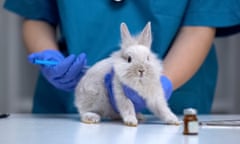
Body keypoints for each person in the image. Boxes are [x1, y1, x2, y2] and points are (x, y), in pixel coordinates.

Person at [3, 0, 240, 114]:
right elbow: (36, 14)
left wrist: (158, 86)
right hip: (68, 106)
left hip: (174, 101)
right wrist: (50, 56)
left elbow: (200, 26)